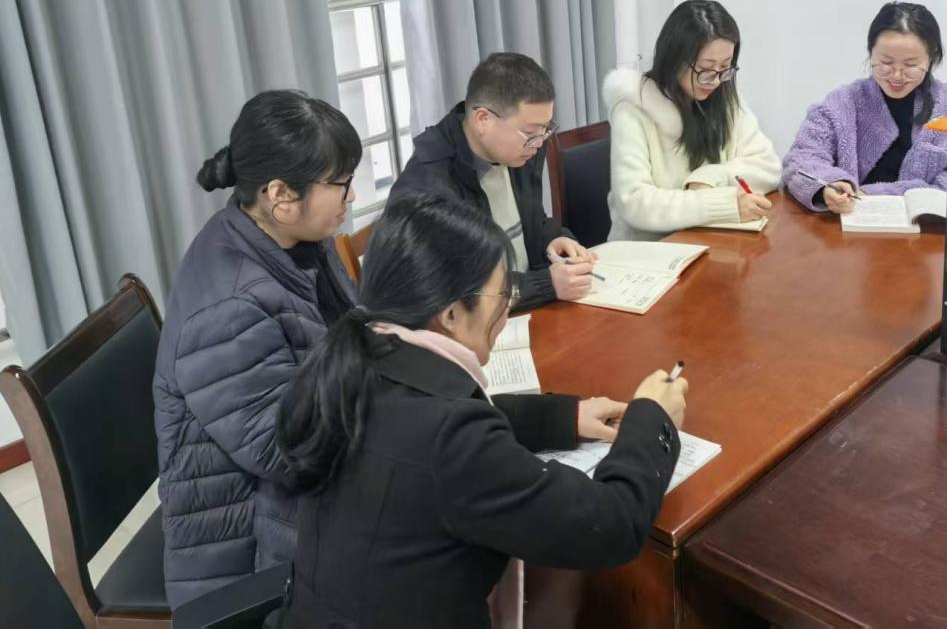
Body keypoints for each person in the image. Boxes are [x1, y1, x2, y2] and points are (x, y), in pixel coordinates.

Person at [275, 194, 688, 628]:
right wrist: (652, 418)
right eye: (502, 293)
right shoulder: (452, 439)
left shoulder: (360, 360)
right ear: (452, 314)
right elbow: (611, 525)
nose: (508, 306)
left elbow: (431, 429)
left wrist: (564, 417)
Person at [153, 89, 362, 608]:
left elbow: (348, 337)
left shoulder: (289, 240)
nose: (352, 196)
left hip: (289, 496)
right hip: (248, 552)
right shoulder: (230, 305)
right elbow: (285, 452)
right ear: (280, 194)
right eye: (341, 184)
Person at [389, 52, 596, 309]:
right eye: (530, 132)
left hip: (526, 310)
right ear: (483, 120)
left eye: (546, 128)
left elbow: (532, 221)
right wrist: (548, 284)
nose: (540, 142)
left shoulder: (520, 152)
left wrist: (555, 240)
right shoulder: (428, 187)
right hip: (474, 324)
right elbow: (458, 291)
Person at [603, 0, 782, 241]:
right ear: (675, 59)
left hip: (711, 242)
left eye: (725, 67)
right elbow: (635, 202)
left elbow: (768, 167)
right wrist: (725, 204)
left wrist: (710, 177)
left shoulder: (725, 99)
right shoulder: (633, 107)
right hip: (651, 250)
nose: (715, 80)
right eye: (705, 69)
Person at [782, 2, 947, 213]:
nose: (897, 75)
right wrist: (827, 186)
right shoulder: (841, 104)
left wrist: (876, 195)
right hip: (846, 223)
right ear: (871, 53)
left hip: (925, 227)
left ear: (932, 59)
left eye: (911, 65)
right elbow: (801, 158)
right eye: (886, 62)